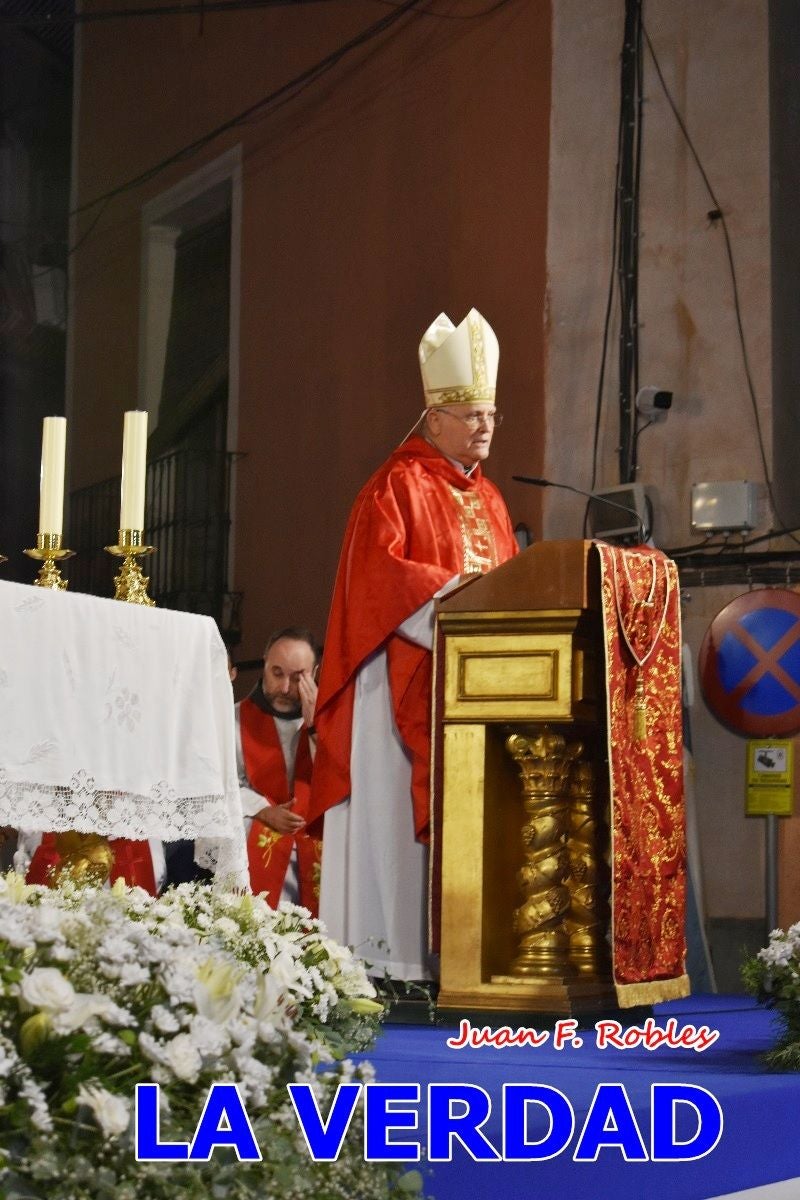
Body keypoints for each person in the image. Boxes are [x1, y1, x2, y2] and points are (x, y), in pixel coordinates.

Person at [310, 308, 518, 980]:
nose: (485, 426)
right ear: (434, 419)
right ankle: (391, 964)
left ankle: (459, 959)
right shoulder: (396, 484)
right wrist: (464, 597)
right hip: (399, 681)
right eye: (472, 415)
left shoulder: (491, 499)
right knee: (392, 823)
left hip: (474, 690)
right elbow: (382, 579)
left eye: (491, 414)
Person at [237, 627, 321, 913]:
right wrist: (262, 810)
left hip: (315, 847)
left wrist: (317, 728)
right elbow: (219, 783)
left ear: (315, 673)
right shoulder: (234, 719)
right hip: (251, 837)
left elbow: (339, 781)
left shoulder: (331, 724)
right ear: (264, 665)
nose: (285, 688)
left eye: (298, 678)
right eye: (277, 673)